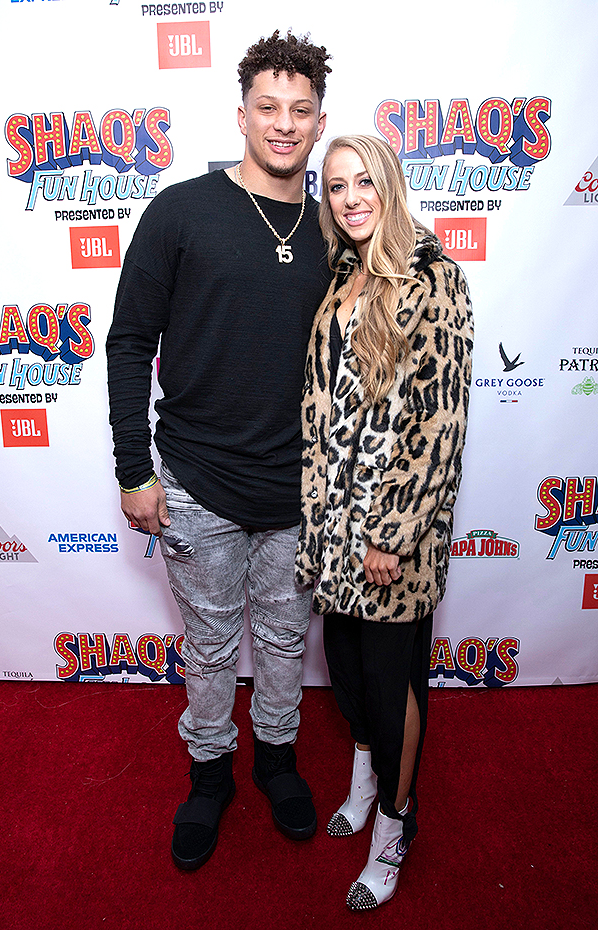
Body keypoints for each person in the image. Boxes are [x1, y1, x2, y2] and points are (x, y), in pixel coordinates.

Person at [106, 31, 333, 870]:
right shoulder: (180, 211)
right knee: (206, 648)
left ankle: (276, 761)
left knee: (283, 641)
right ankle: (209, 776)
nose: (284, 124)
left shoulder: (339, 226)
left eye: (300, 110)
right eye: (268, 107)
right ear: (241, 115)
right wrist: (134, 469)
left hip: (300, 487)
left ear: (319, 122)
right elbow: (130, 342)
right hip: (197, 480)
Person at [296, 135, 473, 910]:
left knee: (391, 681)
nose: (351, 198)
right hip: (335, 527)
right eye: (337, 186)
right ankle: (365, 781)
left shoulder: (436, 278)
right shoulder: (343, 272)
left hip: (392, 533)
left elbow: (439, 424)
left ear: (390, 185)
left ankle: (395, 829)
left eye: (365, 181)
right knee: (346, 670)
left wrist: (391, 533)